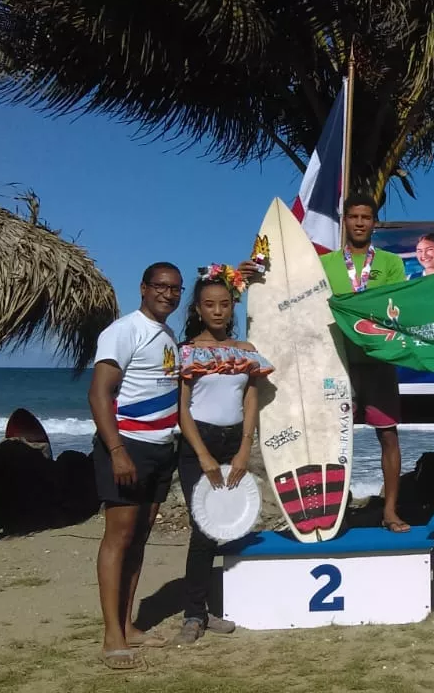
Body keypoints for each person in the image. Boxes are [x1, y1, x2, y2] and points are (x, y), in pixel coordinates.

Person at [87, 262, 183, 670]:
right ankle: (112, 636)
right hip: (128, 446)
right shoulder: (123, 330)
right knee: (118, 538)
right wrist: (116, 451)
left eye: (176, 289)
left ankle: (128, 624)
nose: (168, 294)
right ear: (143, 288)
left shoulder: (168, 334)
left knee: (140, 537)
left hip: (162, 448)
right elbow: (98, 395)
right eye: (160, 286)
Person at [171, 264, 272, 646]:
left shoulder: (245, 352)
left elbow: (250, 398)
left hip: (235, 442)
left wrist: (246, 449)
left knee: (234, 524)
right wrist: (203, 456)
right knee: (203, 530)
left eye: (224, 304)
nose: (217, 311)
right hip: (199, 444)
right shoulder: (186, 352)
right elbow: (182, 409)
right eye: (209, 304)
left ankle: (230, 601)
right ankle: (194, 614)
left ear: (233, 307)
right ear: (197, 308)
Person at [319, 192, 412, 533]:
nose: (359, 223)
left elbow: (394, 306)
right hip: (337, 363)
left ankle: (390, 511)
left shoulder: (390, 263)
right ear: (345, 220)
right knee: (332, 442)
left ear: (375, 222)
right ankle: (333, 513)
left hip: (378, 362)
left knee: (388, 436)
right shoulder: (325, 264)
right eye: (354, 217)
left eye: (366, 217)